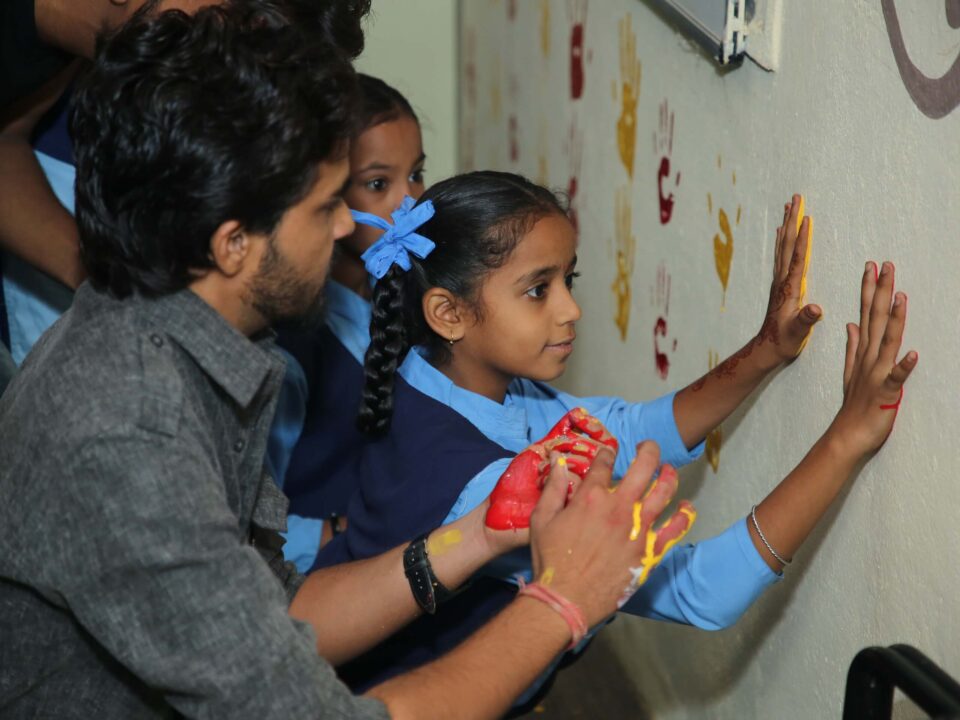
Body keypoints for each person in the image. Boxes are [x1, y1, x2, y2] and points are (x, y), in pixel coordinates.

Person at [0, 9, 697, 719]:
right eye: (326, 205)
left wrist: (479, 533)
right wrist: (563, 602)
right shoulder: (128, 435)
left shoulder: (185, 341)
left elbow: (286, 610)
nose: (344, 228)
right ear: (233, 242)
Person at [313, 171, 917, 697]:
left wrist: (764, 351)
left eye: (568, 280)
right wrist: (846, 440)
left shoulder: (444, 374)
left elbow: (625, 432)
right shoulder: (483, 486)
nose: (570, 309)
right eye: (537, 289)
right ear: (448, 313)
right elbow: (704, 590)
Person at [0, 0, 372, 367]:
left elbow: (5, 139)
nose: (219, 90)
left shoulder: (92, 37)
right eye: (224, 44)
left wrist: (99, 271)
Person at [268, 74, 428, 571]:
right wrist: (347, 531)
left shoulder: (412, 295)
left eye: (417, 174)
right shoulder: (291, 345)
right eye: (378, 184)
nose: (410, 203)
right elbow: (245, 521)